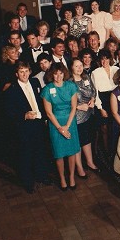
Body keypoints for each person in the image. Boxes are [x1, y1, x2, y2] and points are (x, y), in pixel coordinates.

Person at [4, 62, 49, 193]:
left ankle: (42, 176)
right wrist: (24, 115)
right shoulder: (12, 90)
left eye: (26, 71)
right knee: (26, 154)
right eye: (21, 72)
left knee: (40, 150)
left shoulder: (35, 82)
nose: (24, 74)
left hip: (39, 123)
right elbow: (8, 112)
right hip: (25, 126)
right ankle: (28, 182)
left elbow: (41, 101)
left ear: (30, 72)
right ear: (16, 74)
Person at [41, 63, 80, 191]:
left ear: (64, 74)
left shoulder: (71, 86)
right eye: (55, 74)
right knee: (59, 153)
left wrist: (67, 126)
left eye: (61, 73)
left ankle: (72, 177)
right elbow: (48, 113)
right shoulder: (47, 89)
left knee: (71, 152)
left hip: (70, 121)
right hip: (55, 123)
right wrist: (60, 128)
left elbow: (74, 107)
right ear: (51, 75)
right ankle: (62, 178)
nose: (58, 76)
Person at [70, 58, 100, 173]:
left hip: (89, 114)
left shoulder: (86, 77)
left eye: (81, 65)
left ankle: (89, 162)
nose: (79, 68)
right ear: (71, 67)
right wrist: (78, 106)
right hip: (77, 117)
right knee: (78, 142)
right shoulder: (69, 82)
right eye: (76, 66)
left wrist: (92, 99)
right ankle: (79, 168)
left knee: (87, 140)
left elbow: (93, 91)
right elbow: (66, 101)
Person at [90, 50, 118, 154]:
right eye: (102, 59)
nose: (104, 61)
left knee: (114, 127)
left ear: (110, 59)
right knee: (104, 129)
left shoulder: (116, 69)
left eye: (106, 59)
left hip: (115, 99)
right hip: (103, 100)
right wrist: (100, 108)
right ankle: (107, 152)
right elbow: (95, 92)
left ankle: (115, 150)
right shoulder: (95, 72)